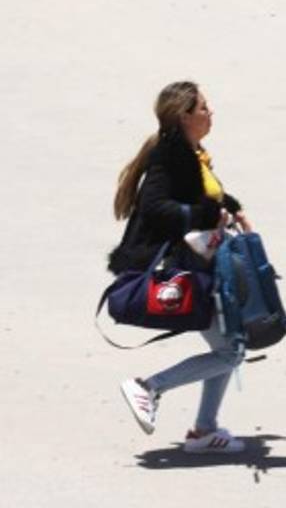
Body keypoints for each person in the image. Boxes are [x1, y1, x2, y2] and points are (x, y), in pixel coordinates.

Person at [110, 81, 251, 454]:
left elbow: (203, 193)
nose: (211, 113)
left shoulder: (189, 153)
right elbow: (156, 207)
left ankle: (204, 430)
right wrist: (206, 214)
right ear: (185, 116)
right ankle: (149, 387)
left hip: (195, 263)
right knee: (230, 350)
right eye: (204, 107)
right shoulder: (170, 155)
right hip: (173, 266)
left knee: (229, 344)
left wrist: (231, 207)